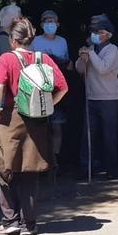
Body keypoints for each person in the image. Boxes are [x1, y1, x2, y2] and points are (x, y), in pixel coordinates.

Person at [0, 18, 68, 235]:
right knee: (29, 171)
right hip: (37, 121)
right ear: (31, 39)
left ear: (13, 40)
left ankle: (10, 220)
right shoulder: (43, 59)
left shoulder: (6, 59)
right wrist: (47, 105)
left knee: (4, 167)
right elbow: (63, 87)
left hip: (11, 119)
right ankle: (29, 224)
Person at [76, 14, 118, 180]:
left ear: (107, 34)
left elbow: (103, 68)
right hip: (91, 97)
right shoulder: (91, 50)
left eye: (99, 31)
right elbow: (80, 69)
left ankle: (111, 169)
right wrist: (82, 58)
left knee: (109, 135)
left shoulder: (112, 49)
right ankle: (86, 167)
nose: (95, 34)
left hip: (109, 98)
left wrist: (91, 53)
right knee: (88, 135)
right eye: (93, 31)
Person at [30, 10, 70, 165]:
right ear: (41, 24)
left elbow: (67, 63)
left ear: (58, 24)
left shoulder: (62, 42)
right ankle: (40, 161)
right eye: (47, 21)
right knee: (40, 129)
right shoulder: (35, 42)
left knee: (57, 127)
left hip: (57, 91)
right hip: (39, 90)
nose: (50, 24)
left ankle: (55, 161)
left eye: (53, 21)